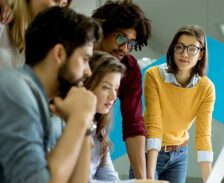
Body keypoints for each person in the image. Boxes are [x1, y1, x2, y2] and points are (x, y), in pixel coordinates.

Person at [0, 6, 101, 183]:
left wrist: (84, 125)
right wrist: (79, 118)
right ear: (59, 53)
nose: (89, 72)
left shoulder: (56, 109)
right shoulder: (15, 89)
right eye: (85, 59)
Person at [144, 25, 216, 183]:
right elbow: (154, 126)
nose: (184, 54)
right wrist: (148, 177)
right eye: (180, 47)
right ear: (173, 49)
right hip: (150, 151)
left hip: (179, 155)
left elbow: (203, 135)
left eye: (192, 49)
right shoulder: (154, 76)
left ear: (200, 54)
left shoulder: (206, 88)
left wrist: (209, 179)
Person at [92, 0, 151, 179]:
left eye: (131, 43)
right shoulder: (76, 56)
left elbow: (133, 123)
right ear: (102, 31)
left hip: (97, 135)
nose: (125, 49)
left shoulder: (129, 68)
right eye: (120, 38)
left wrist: (143, 179)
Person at [84, 51, 126, 182]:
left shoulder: (98, 130)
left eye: (116, 88)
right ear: (87, 84)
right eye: (106, 87)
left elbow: (111, 179)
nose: (113, 97)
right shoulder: (67, 126)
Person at [0, 0, 72, 68]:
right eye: (55, 0)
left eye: (63, 5)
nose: (59, 11)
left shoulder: (47, 46)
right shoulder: (2, 22)